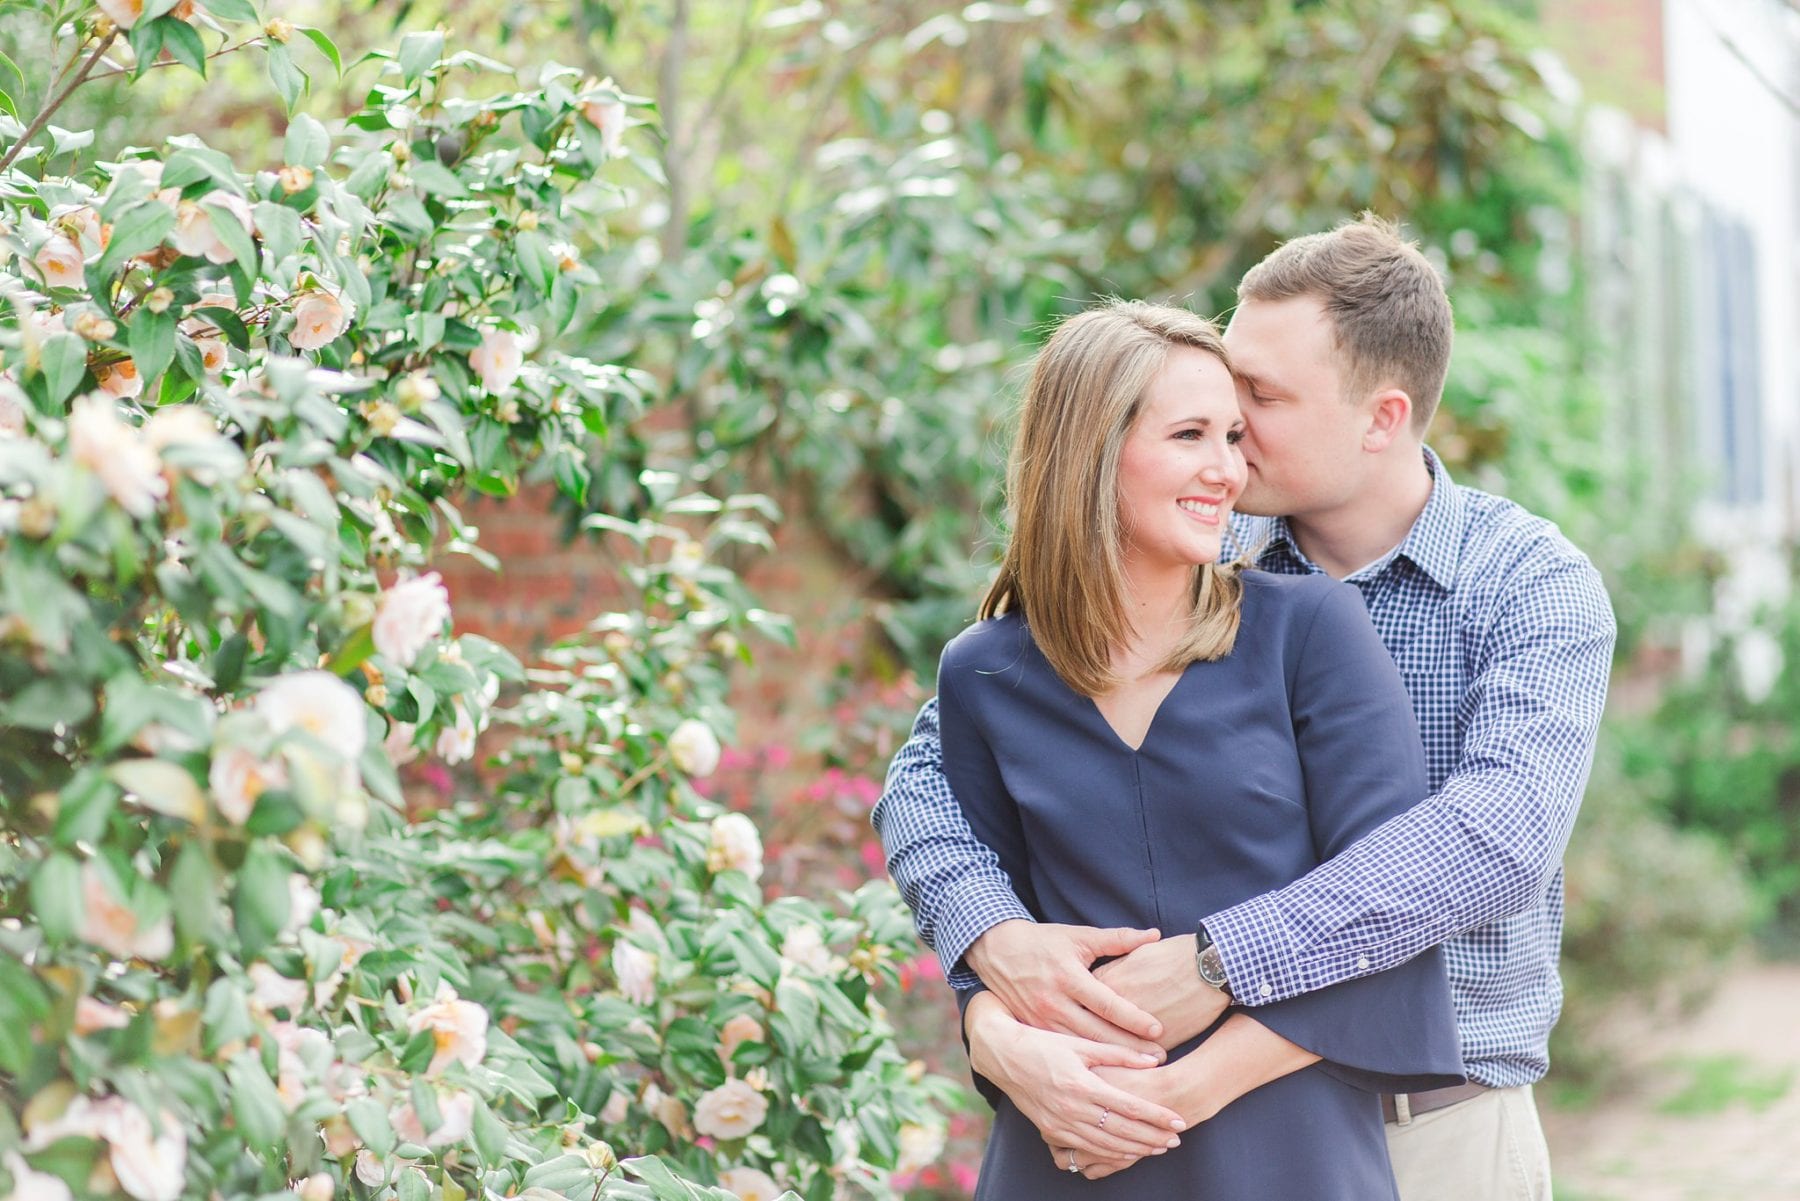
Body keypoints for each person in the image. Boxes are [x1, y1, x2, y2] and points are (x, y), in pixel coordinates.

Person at [876, 217, 1616, 1200]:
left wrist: (1220, 962)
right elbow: (930, 779)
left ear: (1381, 418)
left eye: (1258, 398)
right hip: (1204, 1131)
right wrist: (994, 959)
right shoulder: (1195, 549)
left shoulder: (1528, 583)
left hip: (1440, 1118)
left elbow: (1494, 840)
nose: (1229, 421)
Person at [924, 297, 1463, 1197]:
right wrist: (1002, 1043)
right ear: (1091, 451)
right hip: (1066, 1151)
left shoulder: (1309, 632)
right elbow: (990, 949)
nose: (1227, 470)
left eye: (1234, 435)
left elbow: (1391, 930)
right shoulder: (982, 674)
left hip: (1283, 1151)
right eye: (1190, 436)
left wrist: (1175, 1095)